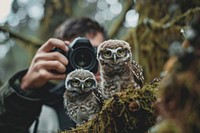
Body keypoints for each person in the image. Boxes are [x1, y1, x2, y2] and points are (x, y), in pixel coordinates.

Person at [0, 17, 106, 133]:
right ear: (60, 57)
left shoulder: (126, 96)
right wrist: (24, 89)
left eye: (94, 51)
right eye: (75, 53)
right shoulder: (45, 112)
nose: (85, 62)